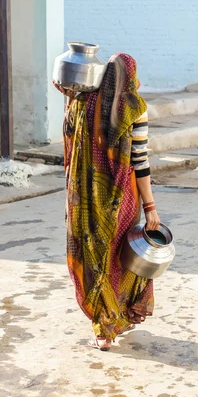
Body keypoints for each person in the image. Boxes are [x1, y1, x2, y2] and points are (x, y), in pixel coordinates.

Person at [54, 52, 160, 351]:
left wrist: (67, 92)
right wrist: (150, 207)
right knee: (120, 256)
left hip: (83, 196)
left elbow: (69, 128)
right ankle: (117, 316)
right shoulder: (134, 109)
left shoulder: (82, 104)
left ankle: (101, 328)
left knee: (91, 255)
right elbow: (139, 161)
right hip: (121, 199)